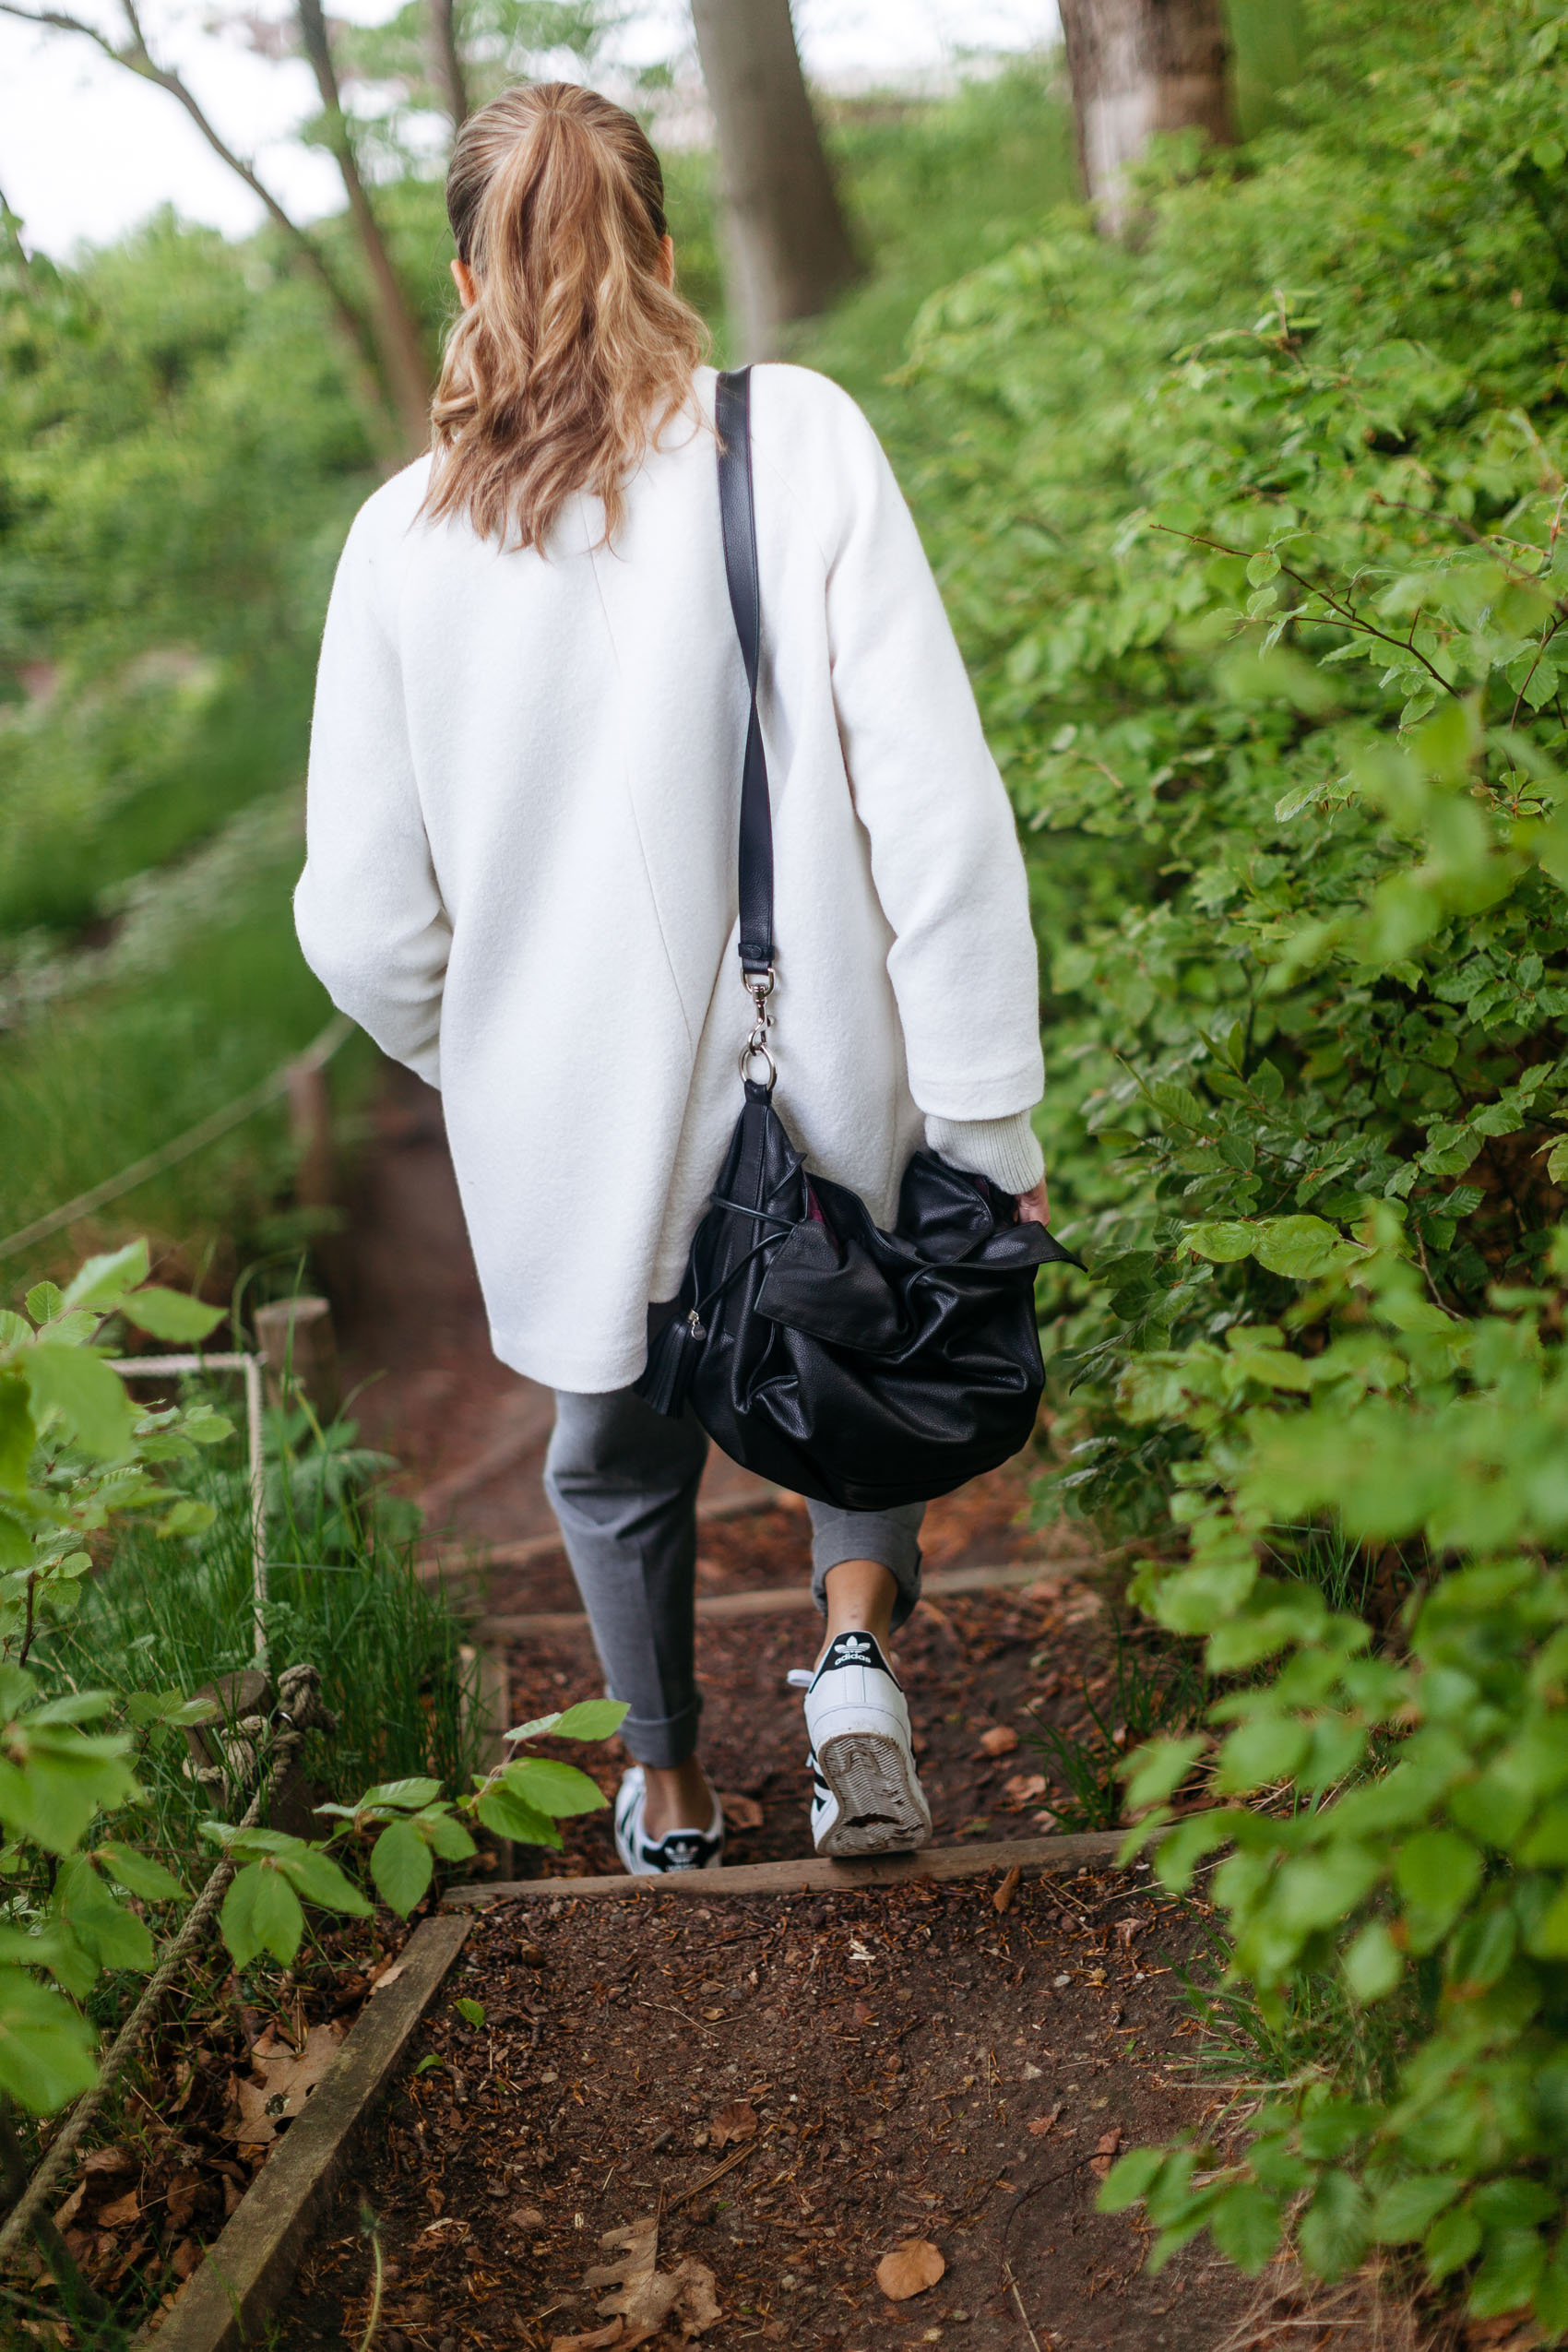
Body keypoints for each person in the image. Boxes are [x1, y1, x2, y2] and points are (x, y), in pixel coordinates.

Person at [295, 82, 1051, 1877]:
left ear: (472, 278)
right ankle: (854, 1663)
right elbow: (932, 807)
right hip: (816, 1076)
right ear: (654, 246)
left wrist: (481, 1046)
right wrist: (984, 1112)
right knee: (856, 1363)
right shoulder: (789, 441)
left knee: (611, 1458)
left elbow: (362, 927)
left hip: (573, 1128)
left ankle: (672, 1790)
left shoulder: (403, 545)